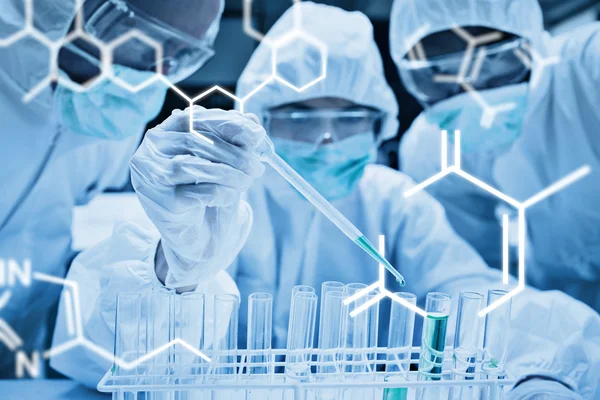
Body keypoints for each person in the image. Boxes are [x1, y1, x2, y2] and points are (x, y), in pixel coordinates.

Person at [53, 2, 600, 397]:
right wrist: (177, 264)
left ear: (382, 123)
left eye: (350, 116)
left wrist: (544, 368)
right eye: (299, 117)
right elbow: (95, 350)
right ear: (259, 123)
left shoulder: (395, 202)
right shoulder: (214, 196)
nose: (328, 138)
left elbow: (471, 297)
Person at [0, 0, 227, 378]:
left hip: (16, 356)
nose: (164, 68)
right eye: (151, 38)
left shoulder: (108, 111)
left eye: (183, 52)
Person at [390, 0, 600, 311]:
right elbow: (470, 276)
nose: (472, 92)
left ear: (531, 42)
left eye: (490, 62)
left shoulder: (589, 68)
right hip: (562, 303)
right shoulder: (431, 149)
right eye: (439, 74)